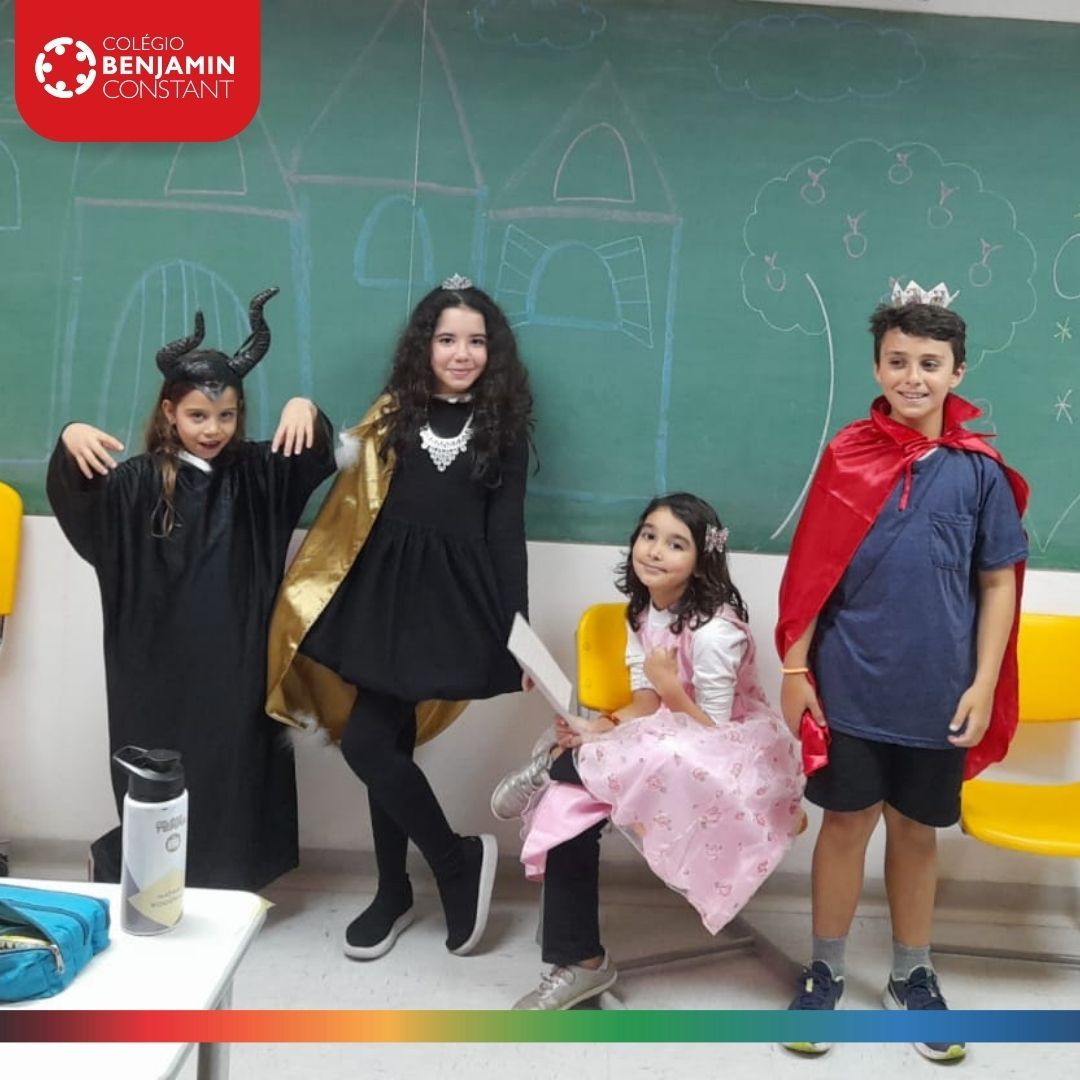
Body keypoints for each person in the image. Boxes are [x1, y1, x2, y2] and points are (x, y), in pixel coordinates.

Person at [775, 281, 1029, 1062]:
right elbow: (812, 567)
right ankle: (825, 970)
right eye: (897, 360)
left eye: (929, 362)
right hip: (849, 684)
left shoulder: (980, 472)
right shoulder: (847, 456)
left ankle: (911, 974)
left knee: (917, 832)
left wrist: (983, 682)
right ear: (877, 366)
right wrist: (794, 667)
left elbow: (997, 582)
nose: (912, 376)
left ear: (957, 372)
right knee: (845, 824)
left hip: (939, 691)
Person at [266, 274, 532, 961]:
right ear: (424, 346)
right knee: (381, 743)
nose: (461, 353)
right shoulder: (395, 413)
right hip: (382, 596)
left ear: (494, 351)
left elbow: (506, 533)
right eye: (447, 339)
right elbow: (344, 477)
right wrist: (302, 405)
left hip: (448, 603)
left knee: (372, 743)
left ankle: (441, 867)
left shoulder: (501, 428)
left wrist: (519, 632)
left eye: (476, 341)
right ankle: (412, 881)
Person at [47, 287, 335, 891]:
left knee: (234, 769)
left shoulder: (258, 475)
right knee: (160, 773)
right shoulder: (135, 483)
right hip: (155, 666)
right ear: (170, 413)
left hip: (237, 662)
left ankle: (226, 888)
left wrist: (306, 407)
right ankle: (137, 872)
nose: (213, 429)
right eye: (198, 416)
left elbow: (313, 454)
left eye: (226, 416)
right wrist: (70, 437)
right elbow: (81, 497)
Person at [495, 492, 804, 1009]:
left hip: (728, 753)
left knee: (662, 750)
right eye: (649, 536)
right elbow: (645, 702)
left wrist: (669, 685)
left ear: (701, 561)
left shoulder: (716, 632)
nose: (655, 551)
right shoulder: (643, 613)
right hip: (671, 731)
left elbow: (713, 729)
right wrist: (597, 727)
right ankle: (581, 963)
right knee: (570, 802)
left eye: (676, 544)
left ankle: (553, 767)